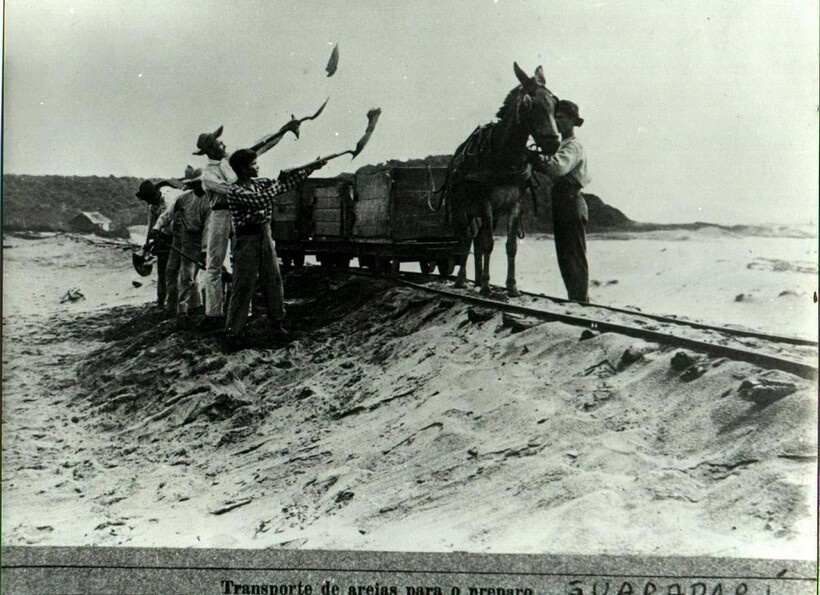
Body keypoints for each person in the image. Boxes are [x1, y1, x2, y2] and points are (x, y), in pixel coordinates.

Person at [194, 122, 301, 330]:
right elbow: (231, 189)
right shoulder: (208, 174)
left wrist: (282, 130)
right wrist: (260, 192)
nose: (223, 143)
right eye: (218, 142)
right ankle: (214, 313)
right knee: (214, 264)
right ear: (209, 149)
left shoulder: (231, 160)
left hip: (243, 212)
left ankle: (246, 312)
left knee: (242, 264)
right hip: (221, 214)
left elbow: (259, 146)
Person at [224, 149, 325, 340]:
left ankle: (276, 324)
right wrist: (278, 182)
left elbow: (288, 184)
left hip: (265, 234)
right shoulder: (235, 191)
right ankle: (234, 332)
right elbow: (261, 200)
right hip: (246, 240)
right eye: (254, 164)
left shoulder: (260, 183)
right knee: (243, 285)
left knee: (273, 279)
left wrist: (310, 168)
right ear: (243, 170)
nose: (258, 166)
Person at [535, 99, 591, 302]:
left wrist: (537, 160)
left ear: (572, 121)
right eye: (555, 117)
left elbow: (557, 168)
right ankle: (575, 298)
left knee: (573, 253)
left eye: (561, 118)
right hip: (563, 200)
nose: (556, 122)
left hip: (570, 199)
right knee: (566, 254)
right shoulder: (564, 145)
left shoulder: (572, 146)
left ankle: (580, 300)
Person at [135, 179, 184, 309]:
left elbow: (170, 224)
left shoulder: (169, 199)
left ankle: (176, 301)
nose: (148, 202)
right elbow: (151, 226)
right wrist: (146, 246)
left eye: (149, 199)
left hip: (179, 232)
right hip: (163, 234)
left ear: (155, 194)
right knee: (162, 269)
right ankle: (161, 300)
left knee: (175, 270)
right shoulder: (152, 205)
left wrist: (158, 239)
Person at [174, 168, 212, 317]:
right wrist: (158, 229)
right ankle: (185, 309)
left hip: (206, 238)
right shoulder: (183, 198)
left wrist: (204, 250)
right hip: (189, 238)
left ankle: (213, 308)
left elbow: (209, 228)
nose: (197, 187)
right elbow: (168, 214)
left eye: (200, 184)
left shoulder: (210, 200)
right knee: (187, 276)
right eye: (194, 184)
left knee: (214, 273)